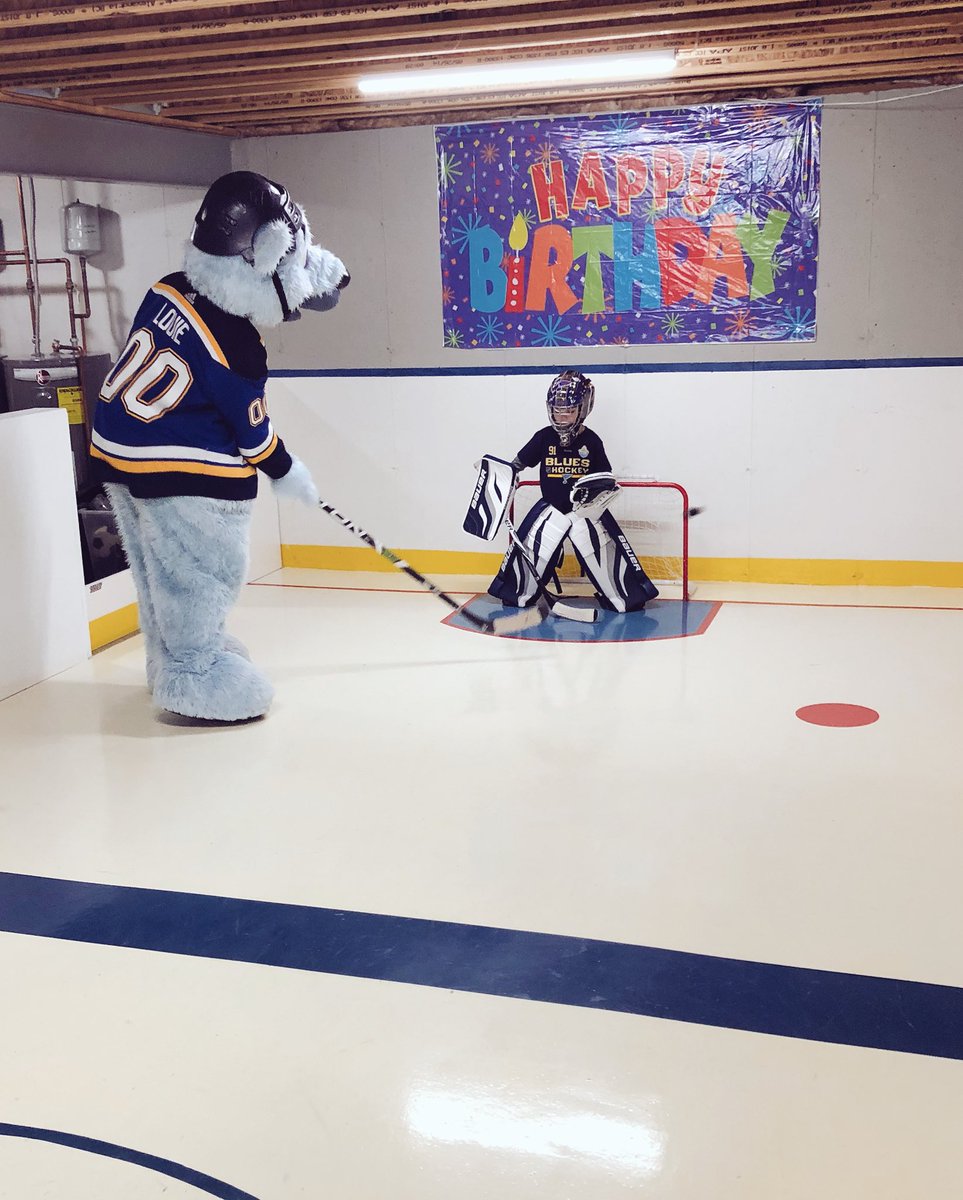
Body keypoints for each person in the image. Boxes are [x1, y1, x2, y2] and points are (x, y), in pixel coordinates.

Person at [89, 171, 349, 721]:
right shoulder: (237, 345)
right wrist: (288, 471)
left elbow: (284, 273)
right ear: (263, 255)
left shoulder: (170, 285)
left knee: (155, 570)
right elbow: (254, 438)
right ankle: (193, 669)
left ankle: (170, 658)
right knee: (199, 570)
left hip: (117, 446)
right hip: (180, 467)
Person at [487, 370, 659, 613]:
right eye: (557, 409)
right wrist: (503, 480)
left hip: (584, 513)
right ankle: (520, 593)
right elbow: (516, 465)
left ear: (583, 408)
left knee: (616, 582)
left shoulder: (592, 441)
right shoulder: (543, 437)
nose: (562, 415)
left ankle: (621, 596)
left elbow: (604, 479)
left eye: (568, 410)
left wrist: (596, 499)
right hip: (550, 510)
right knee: (522, 582)